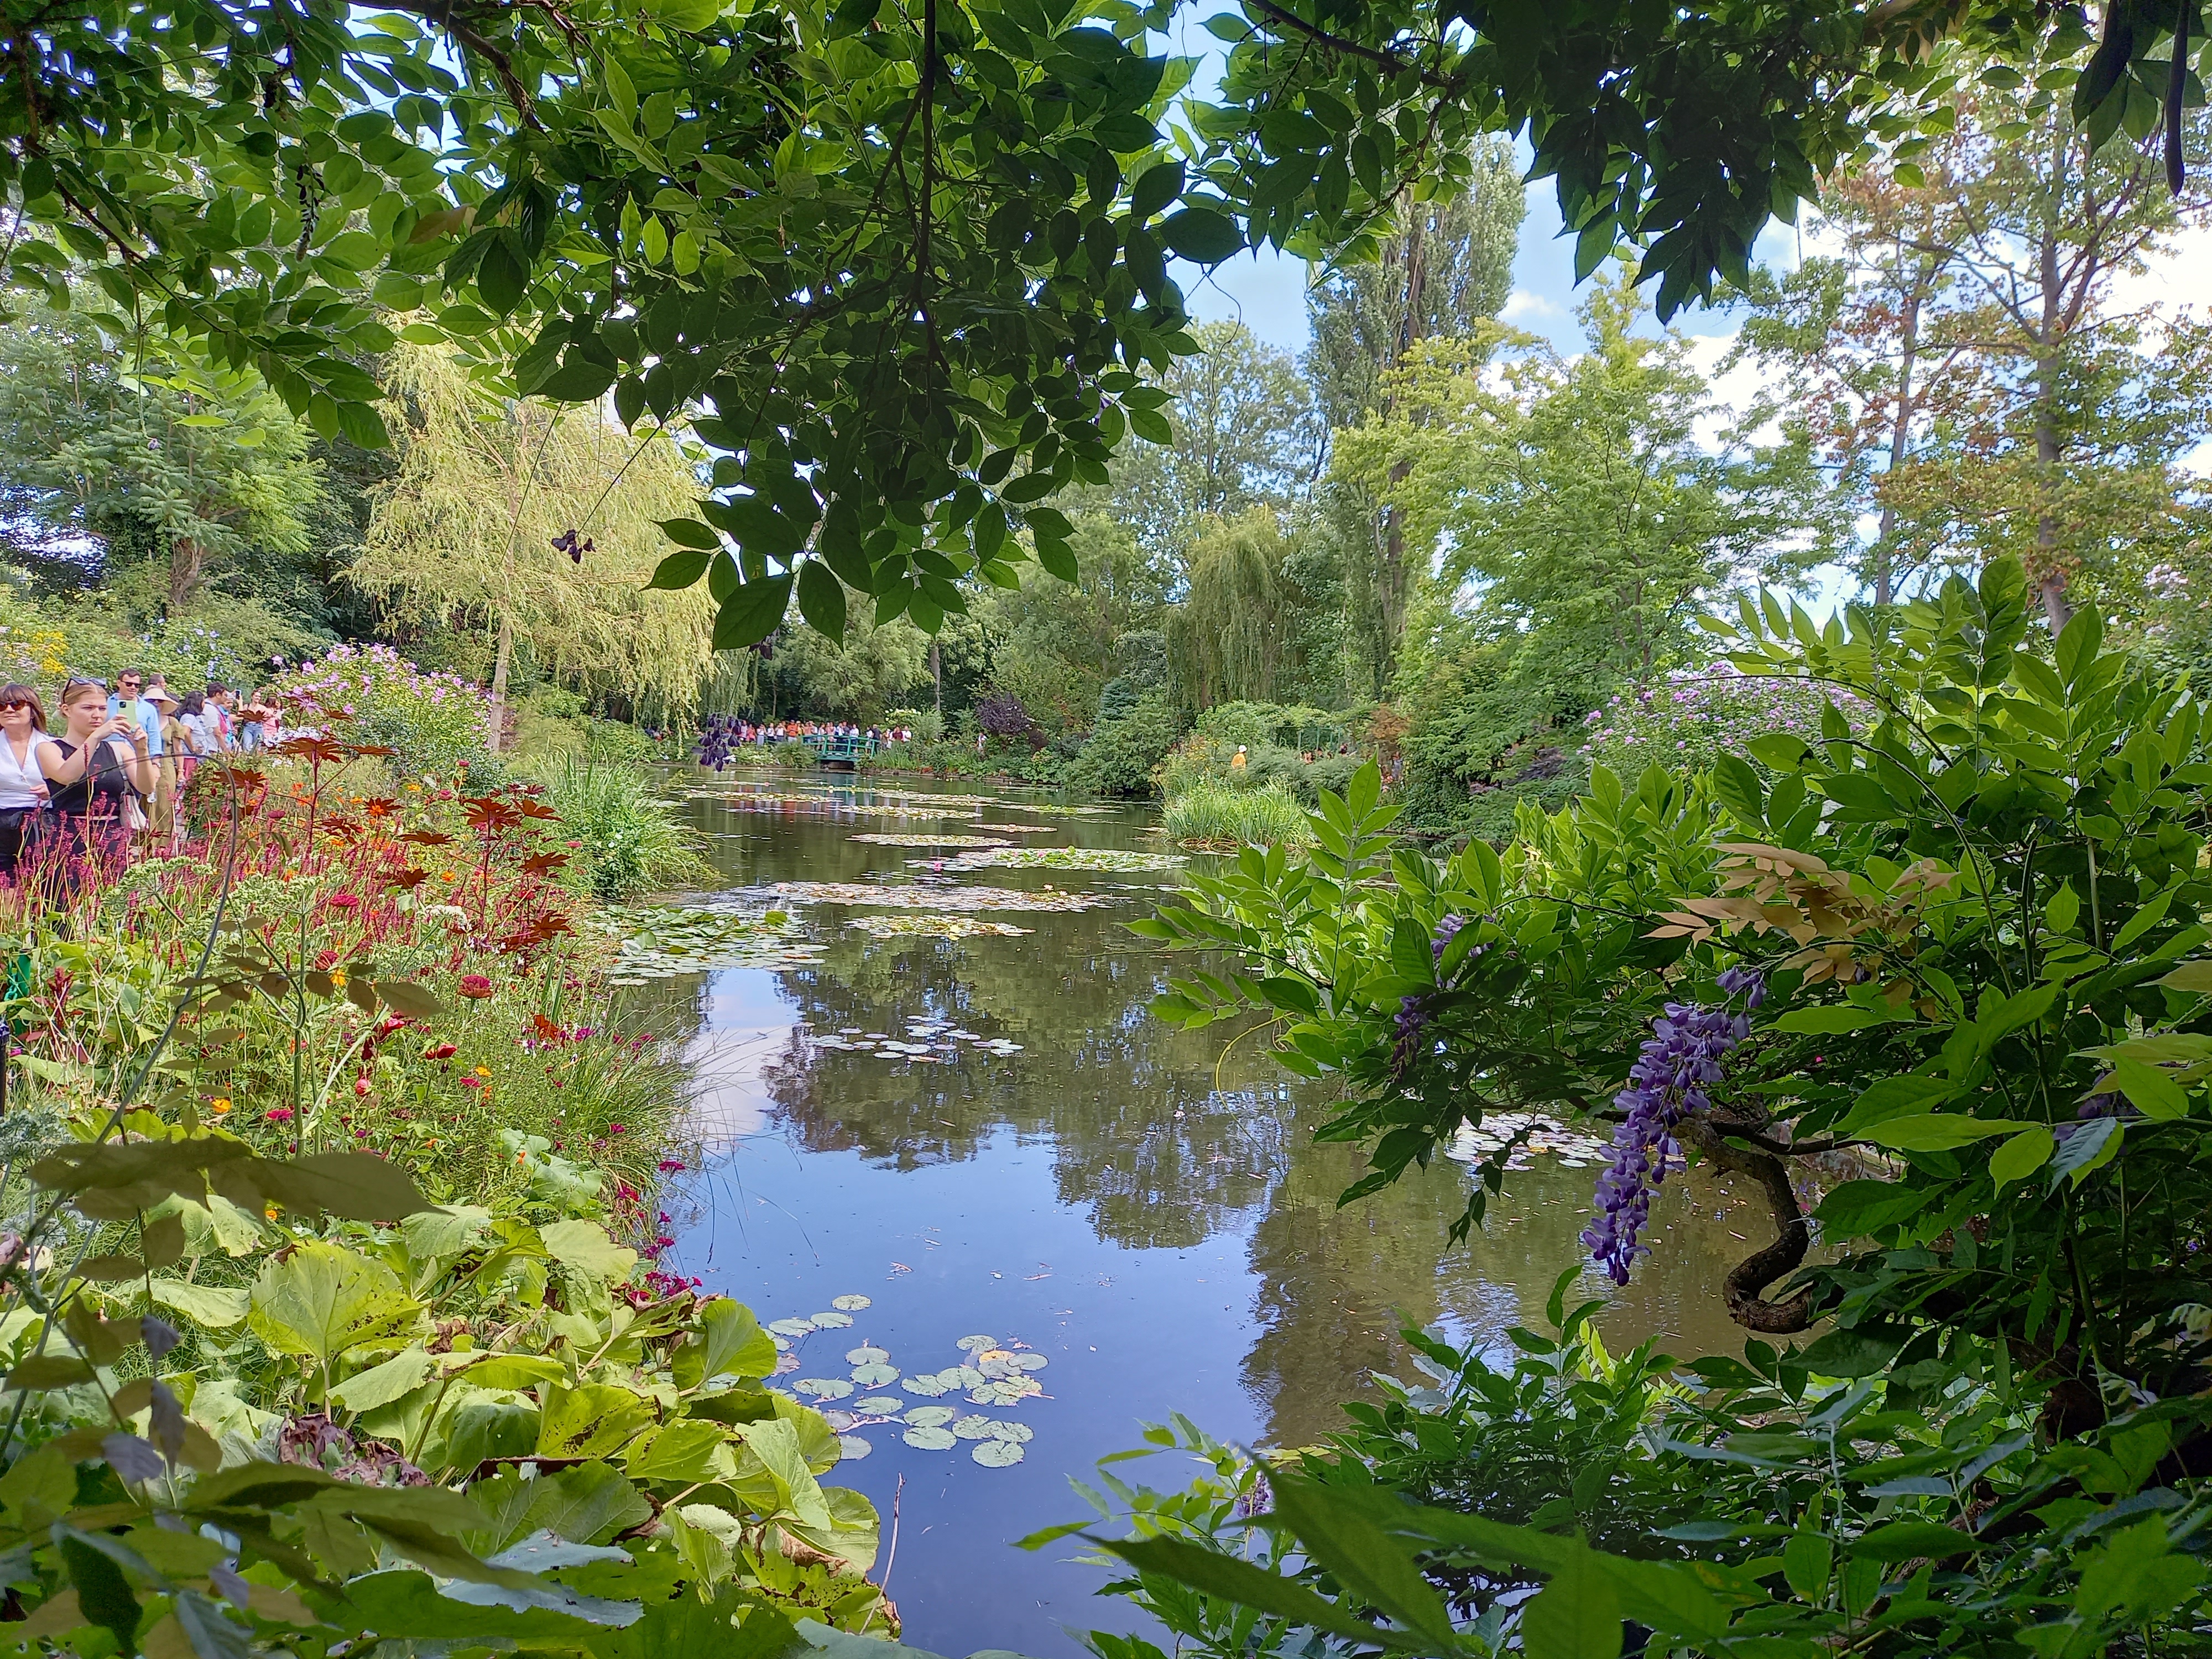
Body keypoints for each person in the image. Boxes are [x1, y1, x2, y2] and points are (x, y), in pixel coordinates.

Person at [44, 677, 156, 880]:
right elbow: (67, 776)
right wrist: (95, 737)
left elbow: (146, 787)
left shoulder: (119, 749)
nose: (97, 715)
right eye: (88, 708)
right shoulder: (49, 748)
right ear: (66, 710)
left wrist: (142, 750)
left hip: (112, 838)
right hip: (68, 839)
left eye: (102, 709)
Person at [0, 684, 57, 883]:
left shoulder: (54, 745)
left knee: (44, 884)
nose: (8, 710)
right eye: (1, 706)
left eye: (17, 704)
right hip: (3, 823)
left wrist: (53, 790)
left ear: (33, 711)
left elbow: (73, 785)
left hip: (44, 822)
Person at [106, 669, 165, 758]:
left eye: (137, 685)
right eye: (129, 684)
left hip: (138, 757)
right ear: (119, 683)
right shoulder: (105, 704)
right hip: (108, 755)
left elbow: (154, 737)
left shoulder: (149, 708)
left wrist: (155, 762)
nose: (133, 687)